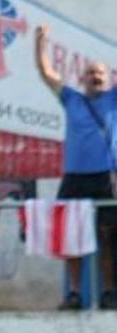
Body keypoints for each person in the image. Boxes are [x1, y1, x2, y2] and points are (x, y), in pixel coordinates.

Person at [35, 24, 117, 310]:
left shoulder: (114, 99)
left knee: (108, 237)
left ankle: (109, 293)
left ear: (108, 79)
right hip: (74, 177)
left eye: (100, 74)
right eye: (91, 74)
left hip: (105, 177)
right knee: (70, 238)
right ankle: (73, 294)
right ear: (82, 78)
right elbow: (47, 74)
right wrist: (40, 44)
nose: (95, 78)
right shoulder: (72, 98)